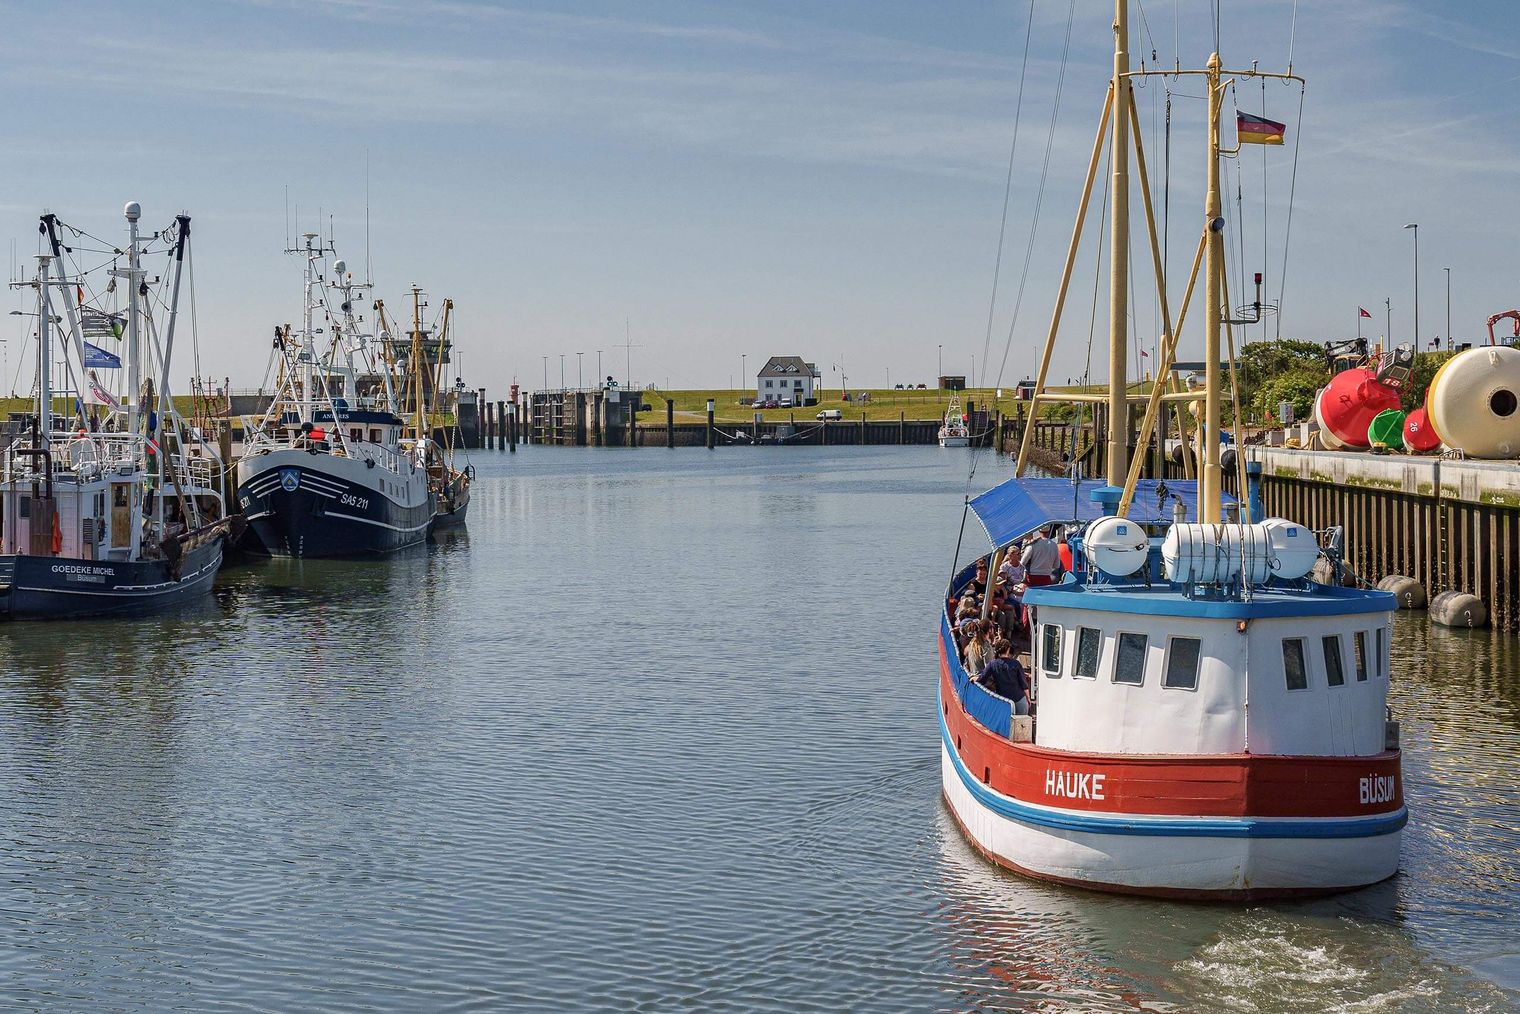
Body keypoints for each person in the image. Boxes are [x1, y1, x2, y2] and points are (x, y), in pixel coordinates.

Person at [980, 639, 1031, 715]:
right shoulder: (1016, 664)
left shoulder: (992, 664)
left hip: (1004, 702)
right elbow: (1023, 684)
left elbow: (982, 679)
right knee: (1021, 725)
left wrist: (974, 678)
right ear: (1008, 650)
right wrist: (1028, 698)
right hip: (1020, 700)